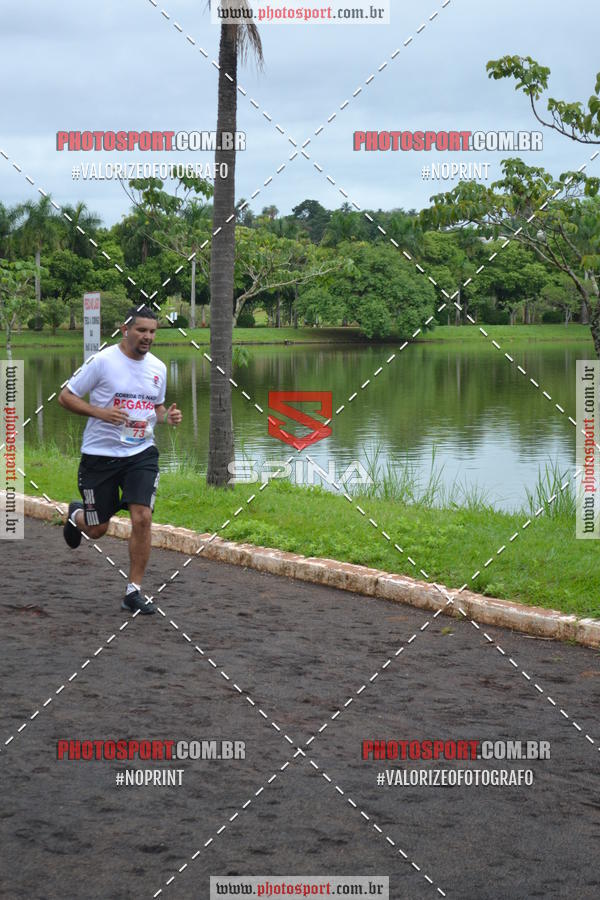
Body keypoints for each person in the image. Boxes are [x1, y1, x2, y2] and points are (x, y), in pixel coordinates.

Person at [58, 305, 183, 615]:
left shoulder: (158, 368)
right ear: (125, 329)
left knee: (142, 517)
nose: (147, 336)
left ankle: (133, 591)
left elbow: (155, 409)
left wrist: (167, 416)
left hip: (141, 454)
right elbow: (66, 396)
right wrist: (101, 413)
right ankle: (76, 516)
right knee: (98, 528)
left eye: (152, 331)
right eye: (141, 330)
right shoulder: (102, 362)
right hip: (99, 457)